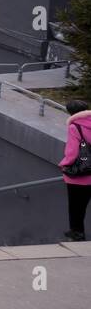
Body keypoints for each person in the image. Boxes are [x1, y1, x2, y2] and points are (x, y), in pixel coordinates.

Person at [60, 99, 91, 241]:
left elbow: (72, 152)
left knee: (76, 206)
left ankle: (77, 232)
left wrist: (64, 164)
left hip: (81, 175)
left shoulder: (75, 127)